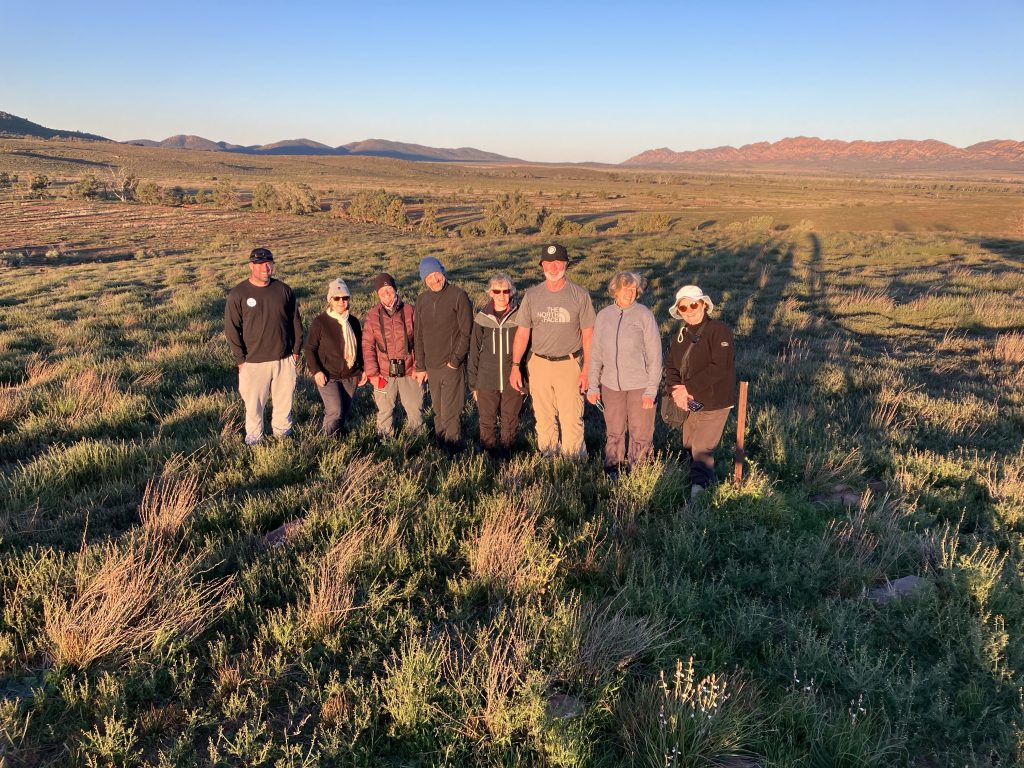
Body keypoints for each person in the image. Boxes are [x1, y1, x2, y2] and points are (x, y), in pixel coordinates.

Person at [508, 243, 596, 458]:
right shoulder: (532, 295)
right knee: (544, 415)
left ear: (566, 264)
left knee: (571, 416)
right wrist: (515, 365)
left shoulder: (579, 295)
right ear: (542, 265)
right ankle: (548, 458)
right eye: (548, 263)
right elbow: (522, 334)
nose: (553, 267)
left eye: (558, 262)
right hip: (539, 364)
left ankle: (573, 462)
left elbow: (589, 335)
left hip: (569, 364)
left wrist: (587, 370)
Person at [224, 247, 303, 445]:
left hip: (284, 359)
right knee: (254, 407)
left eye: (268, 264)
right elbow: (232, 329)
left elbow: (295, 321)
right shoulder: (239, 293)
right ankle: (254, 441)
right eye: (260, 264)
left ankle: (283, 439)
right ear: (251, 266)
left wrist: (295, 352)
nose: (265, 268)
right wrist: (241, 360)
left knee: (284, 404)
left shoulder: (283, 290)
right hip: (253, 361)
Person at [664, 285, 736, 501]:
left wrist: (688, 388)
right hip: (688, 401)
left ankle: (698, 497)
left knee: (701, 448)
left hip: (714, 402)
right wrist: (676, 391)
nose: (689, 311)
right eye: (683, 307)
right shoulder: (680, 335)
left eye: (693, 305)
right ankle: (701, 483)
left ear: (704, 305)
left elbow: (719, 367)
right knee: (688, 445)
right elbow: (671, 367)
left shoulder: (719, 330)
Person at [587, 271, 662, 476]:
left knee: (641, 433)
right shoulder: (604, 316)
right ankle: (613, 468)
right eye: (625, 289)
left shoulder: (644, 315)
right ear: (615, 291)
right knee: (614, 431)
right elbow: (596, 354)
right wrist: (593, 386)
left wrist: (651, 390)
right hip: (611, 385)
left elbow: (655, 355)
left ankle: (639, 472)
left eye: (633, 290)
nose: (630, 294)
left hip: (640, 386)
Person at [413, 256, 473, 452]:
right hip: (431, 367)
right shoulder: (422, 300)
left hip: (451, 366)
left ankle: (453, 451)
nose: (434, 280)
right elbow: (418, 335)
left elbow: (466, 332)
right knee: (438, 412)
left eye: (436, 274)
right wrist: (420, 366)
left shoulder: (458, 296)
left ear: (443, 271)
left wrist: (455, 361)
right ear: (424, 280)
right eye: (428, 277)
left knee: (450, 413)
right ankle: (441, 448)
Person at [468, 273, 527, 457]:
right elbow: (474, 352)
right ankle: (489, 456)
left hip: (513, 379)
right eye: (497, 291)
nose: (502, 295)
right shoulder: (482, 318)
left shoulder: (520, 316)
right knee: (487, 421)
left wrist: (525, 382)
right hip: (486, 379)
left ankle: (507, 456)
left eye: (506, 291)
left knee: (510, 420)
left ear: (511, 292)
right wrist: (474, 385)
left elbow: (527, 350)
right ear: (490, 293)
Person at [360, 272, 424, 437]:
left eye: (389, 289)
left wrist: (419, 367)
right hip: (383, 372)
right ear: (377, 294)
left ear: (395, 290)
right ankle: (384, 440)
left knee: (414, 408)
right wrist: (372, 373)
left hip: (409, 370)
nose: (386, 294)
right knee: (384, 409)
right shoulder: (372, 315)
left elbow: (420, 341)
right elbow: (367, 346)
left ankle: (417, 440)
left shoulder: (410, 311)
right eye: (382, 291)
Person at [305, 279, 362, 438]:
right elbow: (309, 349)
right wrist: (316, 371)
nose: (341, 301)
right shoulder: (320, 322)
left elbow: (360, 347)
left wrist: (361, 369)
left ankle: (339, 436)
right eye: (337, 298)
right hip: (328, 375)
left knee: (344, 410)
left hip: (350, 375)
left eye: (345, 298)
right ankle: (327, 440)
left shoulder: (353, 322)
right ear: (330, 300)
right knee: (335, 410)